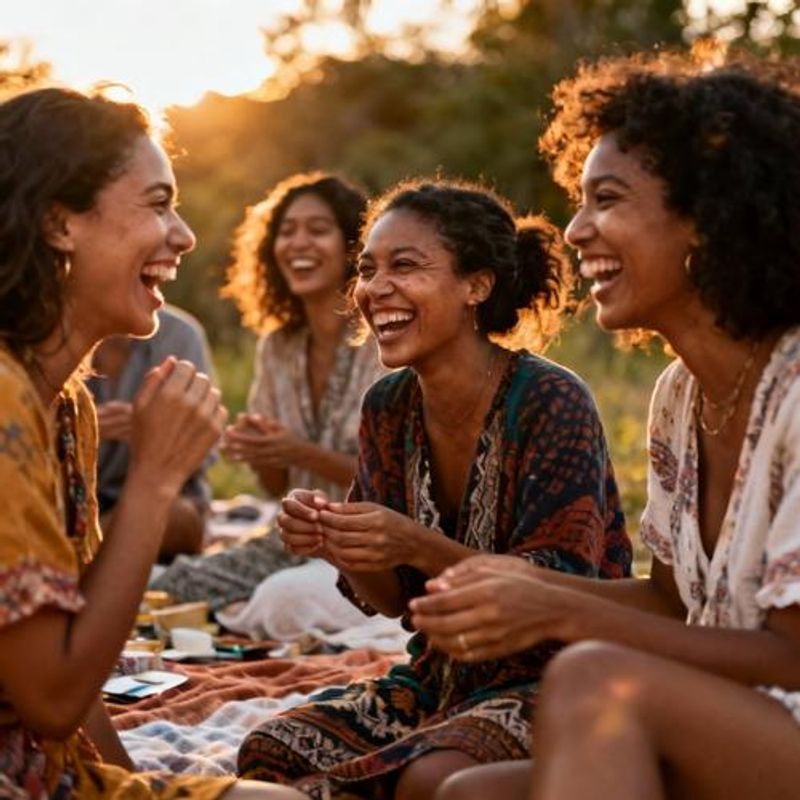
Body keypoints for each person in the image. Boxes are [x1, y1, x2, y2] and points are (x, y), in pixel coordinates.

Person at [420, 48, 800, 800]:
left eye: (607, 200)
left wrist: (557, 610)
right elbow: (670, 602)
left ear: (706, 218)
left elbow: (791, 659)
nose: (573, 231)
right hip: (734, 725)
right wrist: (515, 582)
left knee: (595, 679)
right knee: (466, 793)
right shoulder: (679, 395)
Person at [237, 179, 632, 800]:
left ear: (476, 286)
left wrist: (417, 544)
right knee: (271, 749)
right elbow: (392, 601)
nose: (374, 289)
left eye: (405, 265)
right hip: (440, 678)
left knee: (431, 776)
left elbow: (558, 593)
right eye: (367, 269)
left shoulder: (551, 401)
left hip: (559, 678)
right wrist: (336, 540)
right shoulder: (388, 406)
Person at [0, 86, 303, 800]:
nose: (185, 234)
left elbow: (73, 656)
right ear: (58, 223)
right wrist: (155, 477)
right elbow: (51, 698)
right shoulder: (5, 396)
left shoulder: (67, 404)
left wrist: (130, 784)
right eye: (158, 203)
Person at [151, 173, 385, 613]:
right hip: (294, 544)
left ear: (354, 248)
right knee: (174, 587)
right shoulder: (278, 345)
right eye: (287, 231)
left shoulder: (385, 342)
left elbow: (398, 485)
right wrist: (264, 452)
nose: (298, 243)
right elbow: (275, 487)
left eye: (318, 230)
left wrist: (298, 451)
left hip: (369, 551)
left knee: (282, 601)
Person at [87, 304, 216, 562]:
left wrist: (158, 438)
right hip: (80, 502)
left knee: (176, 518)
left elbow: (205, 452)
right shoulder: (48, 336)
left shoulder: (181, 335)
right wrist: (87, 432)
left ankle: (92, 551)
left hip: (166, 498)